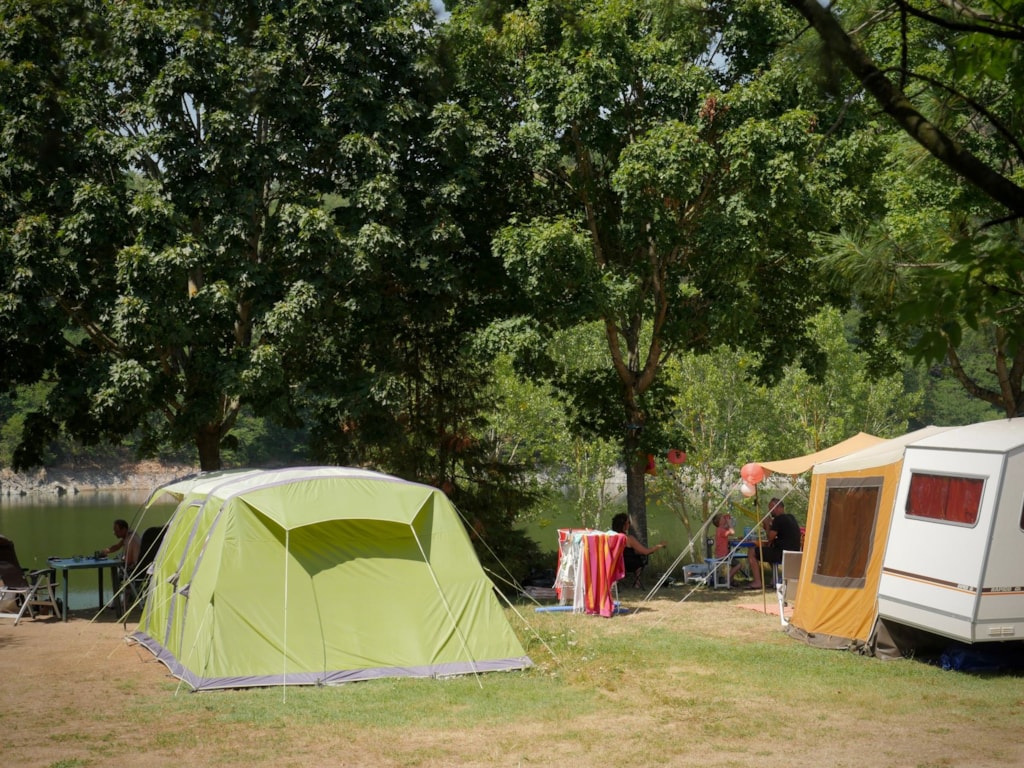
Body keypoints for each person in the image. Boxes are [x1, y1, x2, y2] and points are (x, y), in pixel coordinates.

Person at [746, 498, 801, 590]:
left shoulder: (778, 519)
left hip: (782, 554)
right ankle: (774, 579)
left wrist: (767, 525)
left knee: (752, 551)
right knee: (768, 549)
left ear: (778, 507)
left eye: (771, 508)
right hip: (793, 554)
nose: (769, 511)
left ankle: (757, 582)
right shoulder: (791, 517)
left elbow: (769, 538)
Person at [611, 513, 667, 588]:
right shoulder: (628, 538)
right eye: (628, 522)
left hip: (615, 563)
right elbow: (646, 551)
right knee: (639, 561)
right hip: (628, 564)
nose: (630, 524)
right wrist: (659, 545)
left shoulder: (611, 538)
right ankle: (637, 583)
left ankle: (615, 582)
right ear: (624, 525)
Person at [711, 513, 743, 584]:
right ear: (720, 522)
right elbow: (732, 532)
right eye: (723, 518)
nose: (725, 519)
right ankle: (727, 579)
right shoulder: (721, 530)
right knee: (738, 564)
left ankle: (730, 580)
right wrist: (729, 522)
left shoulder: (719, 529)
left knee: (734, 563)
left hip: (721, 555)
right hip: (723, 556)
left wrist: (728, 519)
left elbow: (726, 531)